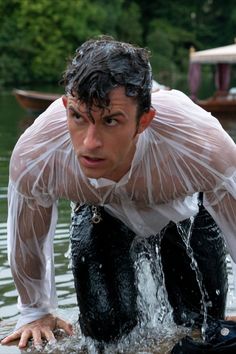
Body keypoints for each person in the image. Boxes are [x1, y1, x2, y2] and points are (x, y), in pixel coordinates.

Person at [1, 36, 236, 349]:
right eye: (78, 117)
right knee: (106, 334)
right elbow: (27, 237)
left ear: (144, 121)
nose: (90, 143)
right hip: (103, 210)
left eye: (111, 120)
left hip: (187, 209)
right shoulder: (38, 153)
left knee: (201, 324)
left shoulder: (200, 144)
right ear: (64, 107)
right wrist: (35, 311)